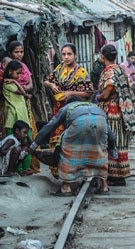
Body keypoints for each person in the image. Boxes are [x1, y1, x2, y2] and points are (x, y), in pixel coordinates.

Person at [29, 96, 115, 196]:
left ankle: (66, 187)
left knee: (68, 150)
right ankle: (104, 186)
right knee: (99, 149)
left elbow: (50, 126)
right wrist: (112, 149)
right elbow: (110, 134)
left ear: (68, 102)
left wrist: (34, 144)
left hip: (78, 123)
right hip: (100, 122)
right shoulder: (95, 107)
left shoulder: (67, 107)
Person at [43, 43, 94, 178]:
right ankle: (59, 171)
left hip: (74, 111)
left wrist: (70, 93)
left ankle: (76, 171)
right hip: (58, 109)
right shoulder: (59, 69)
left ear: (75, 55)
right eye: (64, 54)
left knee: (74, 140)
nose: (66, 57)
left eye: (69, 54)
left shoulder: (81, 72)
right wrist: (52, 85)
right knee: (57, 138)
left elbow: (89, 93)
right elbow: (46, 81)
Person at [0, 40, 40, 173]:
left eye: (21, 52)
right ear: (9, 53)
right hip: (12, 110)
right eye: (16, 52)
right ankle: (14, 168)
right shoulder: (3, 73)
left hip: (23, 109)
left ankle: (26, 167)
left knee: (26, 139)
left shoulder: (22, 67)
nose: (19, 54)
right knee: (14, 140)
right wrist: (14, 86)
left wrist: (25, 90)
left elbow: (29, 85)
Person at [96, 44, 135, 186]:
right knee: (120, 141)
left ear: (102, 57)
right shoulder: (120, 69)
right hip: (123, 111)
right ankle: (120, 173)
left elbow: (107, 94)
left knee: (113, 141)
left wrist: (96, 97)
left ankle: (116, 176)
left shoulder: (109, 72)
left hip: (112, 110)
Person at [2, 60, 34, 175]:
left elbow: (24, 92)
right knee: (16, 146)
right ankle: (17, 169)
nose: (19, 76)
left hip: (23, 117)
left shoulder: (12, 82)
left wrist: (15, 81)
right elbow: (22, 91)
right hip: (14, 118)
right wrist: (15, 83)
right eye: (18, 73)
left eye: (21, 73)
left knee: (27, 144)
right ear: (10, 72)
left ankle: (25, 168)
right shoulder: (7, 84)